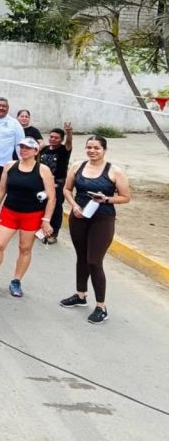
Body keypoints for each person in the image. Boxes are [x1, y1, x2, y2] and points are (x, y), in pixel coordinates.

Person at [60, 136, 131, 325]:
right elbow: (67, 189)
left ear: (104, 150)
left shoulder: (114, 171)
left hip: (102, 219)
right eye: (89, 147)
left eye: (96, 148)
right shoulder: (77, 166)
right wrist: (74, 206)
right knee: (81, 257)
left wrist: (106, 199)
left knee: (94, 261)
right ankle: (80, 295)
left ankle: (101, 306)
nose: (92, 151)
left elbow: (125, 197)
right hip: (80, 216)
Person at [0, 137, 55, 298]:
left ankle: (16, 280)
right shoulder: (10, 165)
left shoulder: (43, 170)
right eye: (21, 147)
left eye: (27, 148)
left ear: (36, 151)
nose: (23, 150)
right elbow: (1, 189)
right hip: (10, 211)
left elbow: (51, 197)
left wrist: (46, 220)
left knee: (24, 248)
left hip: (32, 214)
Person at [38, 124, 74, 243]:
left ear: (61, 139)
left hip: (58, 183)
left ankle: (53, 233)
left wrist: (69, 133)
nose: (53, 139)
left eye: (56, 138)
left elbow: (69, 143)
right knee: (42, 205)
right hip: (42, 182)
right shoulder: (44, 149)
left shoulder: (64, 149)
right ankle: (42, 230)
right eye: (51, 137)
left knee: (56, 207)